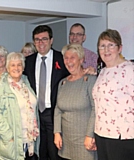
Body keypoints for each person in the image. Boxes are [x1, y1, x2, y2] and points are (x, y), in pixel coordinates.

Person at [24, 25, 69, 160]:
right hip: (35, 113)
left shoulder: (61, 59)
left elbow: (73, 75)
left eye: (44, 39)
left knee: (54, 152)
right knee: (39, 151)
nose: (40, 43)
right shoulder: (28, 61)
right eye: (37, 40)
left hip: (54, 112)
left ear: (51, 40)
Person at [0, 52, 40, 160]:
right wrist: (9, 137)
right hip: (9, 143)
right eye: (13, 65)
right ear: (7, 67)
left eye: (19, 64)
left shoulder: (26, 83)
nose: (16, 68)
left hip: (28, 141)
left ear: (23, 67)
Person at [92, 29, 134, 160]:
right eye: (102, 46)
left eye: (111, 45)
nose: (106, 50)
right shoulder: (103, 71)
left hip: (122, 136)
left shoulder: (129, 70)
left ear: (120, 48)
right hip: (101, 133)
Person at [54, 44, 97, 160]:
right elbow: (57, 109)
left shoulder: (90, 80)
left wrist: (89, 135)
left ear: (81, 59)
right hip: (65, 142)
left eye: (72, 57)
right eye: (66, 58)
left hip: (85, 142)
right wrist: (57, 132)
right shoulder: (62, 83)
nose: (69, 61)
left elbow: (95, 109)